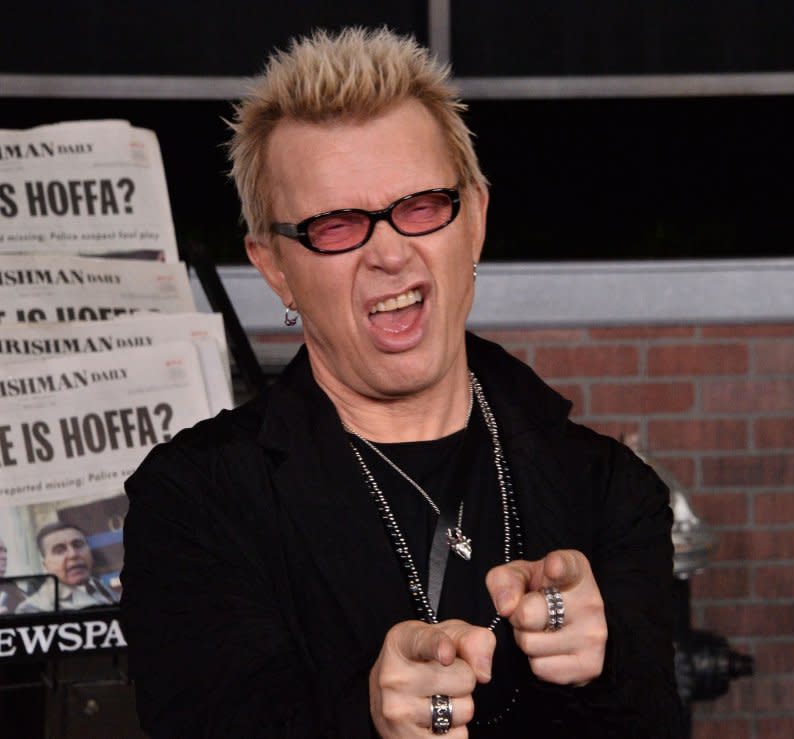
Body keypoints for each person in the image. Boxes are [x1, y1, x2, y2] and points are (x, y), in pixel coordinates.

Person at [121, 27, 681, 738]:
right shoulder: (194, 504)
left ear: (473, 219)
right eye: (336, 225)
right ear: (274, 267)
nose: (389, 251)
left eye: (419, 206)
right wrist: (365, 721)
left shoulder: (611, 493)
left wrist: (604, 666)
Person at [16, 522, 118, 613]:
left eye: (78, 545)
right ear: (46, 565)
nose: (73, 554)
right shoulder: (33, 609)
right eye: (59, 550)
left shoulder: (103, 589)